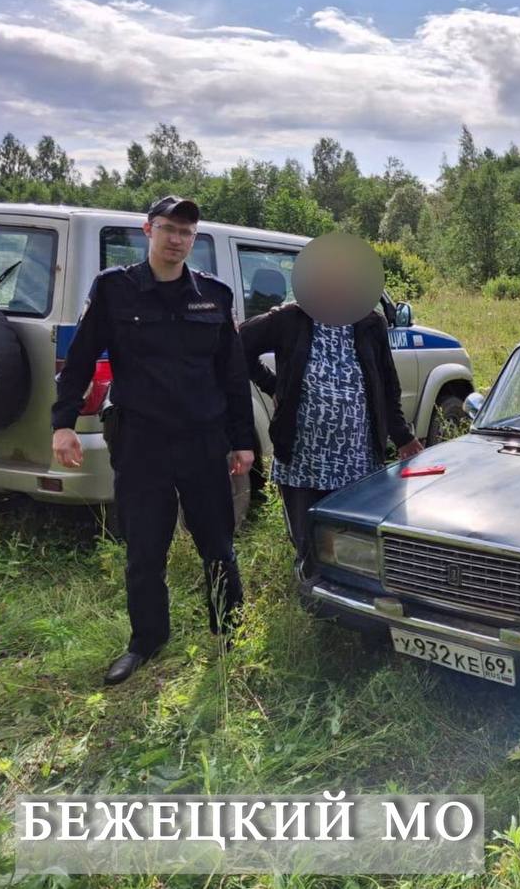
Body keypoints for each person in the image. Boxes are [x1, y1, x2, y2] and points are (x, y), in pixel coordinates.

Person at [52, 196, 255, 685]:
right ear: (148, 230)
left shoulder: (214, 295)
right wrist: (61, 423)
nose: (178, 239)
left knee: (218, 546)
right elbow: (79, 360)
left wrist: (243, 440)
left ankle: (230, 633)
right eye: (169, 229)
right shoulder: (114, 290)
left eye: (187, 232)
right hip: (142, 443)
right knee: (144, 551)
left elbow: (232, 374)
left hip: (203, 440)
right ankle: (146, 641)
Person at [239, 289, 422, 576]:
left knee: (355, 541)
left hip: (357, 459)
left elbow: (387, 384)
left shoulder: (370, 323)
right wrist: (274, 386)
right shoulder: (291, 317)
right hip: (303, 460)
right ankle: (312, 595)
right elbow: (239, 343)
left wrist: (402, 436)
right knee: (308, 542)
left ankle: (352, 598)